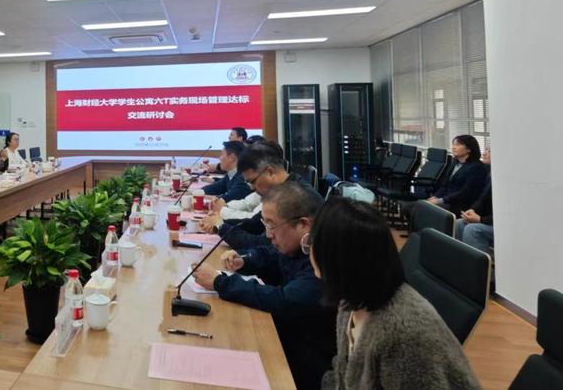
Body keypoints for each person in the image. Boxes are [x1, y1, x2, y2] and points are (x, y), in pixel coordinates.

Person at [310, 198, 482, 390]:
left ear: (336, 258)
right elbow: (344, 371)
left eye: (311, 242)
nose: (310, 249)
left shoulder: (403, 338)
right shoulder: (352, 298)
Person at [193, 182, 336, 390]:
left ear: (303, 225)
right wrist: (244, 260)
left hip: (306, 364)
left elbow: (284, 300)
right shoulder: (297, 245)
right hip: (289, 340)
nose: (268, 234)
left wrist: (220, 281)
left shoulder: (323, 258)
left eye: (272, 225)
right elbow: (270, 254)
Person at [201, 141, 323, 249]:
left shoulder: (293, 197)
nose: (252, 188)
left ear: (270, 172)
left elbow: (260, 243)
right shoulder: (284, 188)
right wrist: (220, 224)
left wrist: (221, 226)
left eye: (253, 181)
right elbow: (255, 223)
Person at [422, 135, 488, 217]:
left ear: (469, 149)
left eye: (458, 145)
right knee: (418, 206)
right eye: (453, 144)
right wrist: (436, 196)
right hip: (447, 200)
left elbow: (465, 192)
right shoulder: (454, 163)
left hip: (459, 204)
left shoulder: (477, 167)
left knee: (421, 209)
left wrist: (440, 200)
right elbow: (445, 184)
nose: (453, 147)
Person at [455, 148, 493, 254]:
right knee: (459, 223)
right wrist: (473, 210)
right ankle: (461, 259)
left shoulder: (504, 180)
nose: (484, 153)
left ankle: (479, 264)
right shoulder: (489, 173)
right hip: (488, 219)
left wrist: (480, 219)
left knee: (472, 230)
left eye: (489, 151)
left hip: (499, 224)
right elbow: (482, 199)